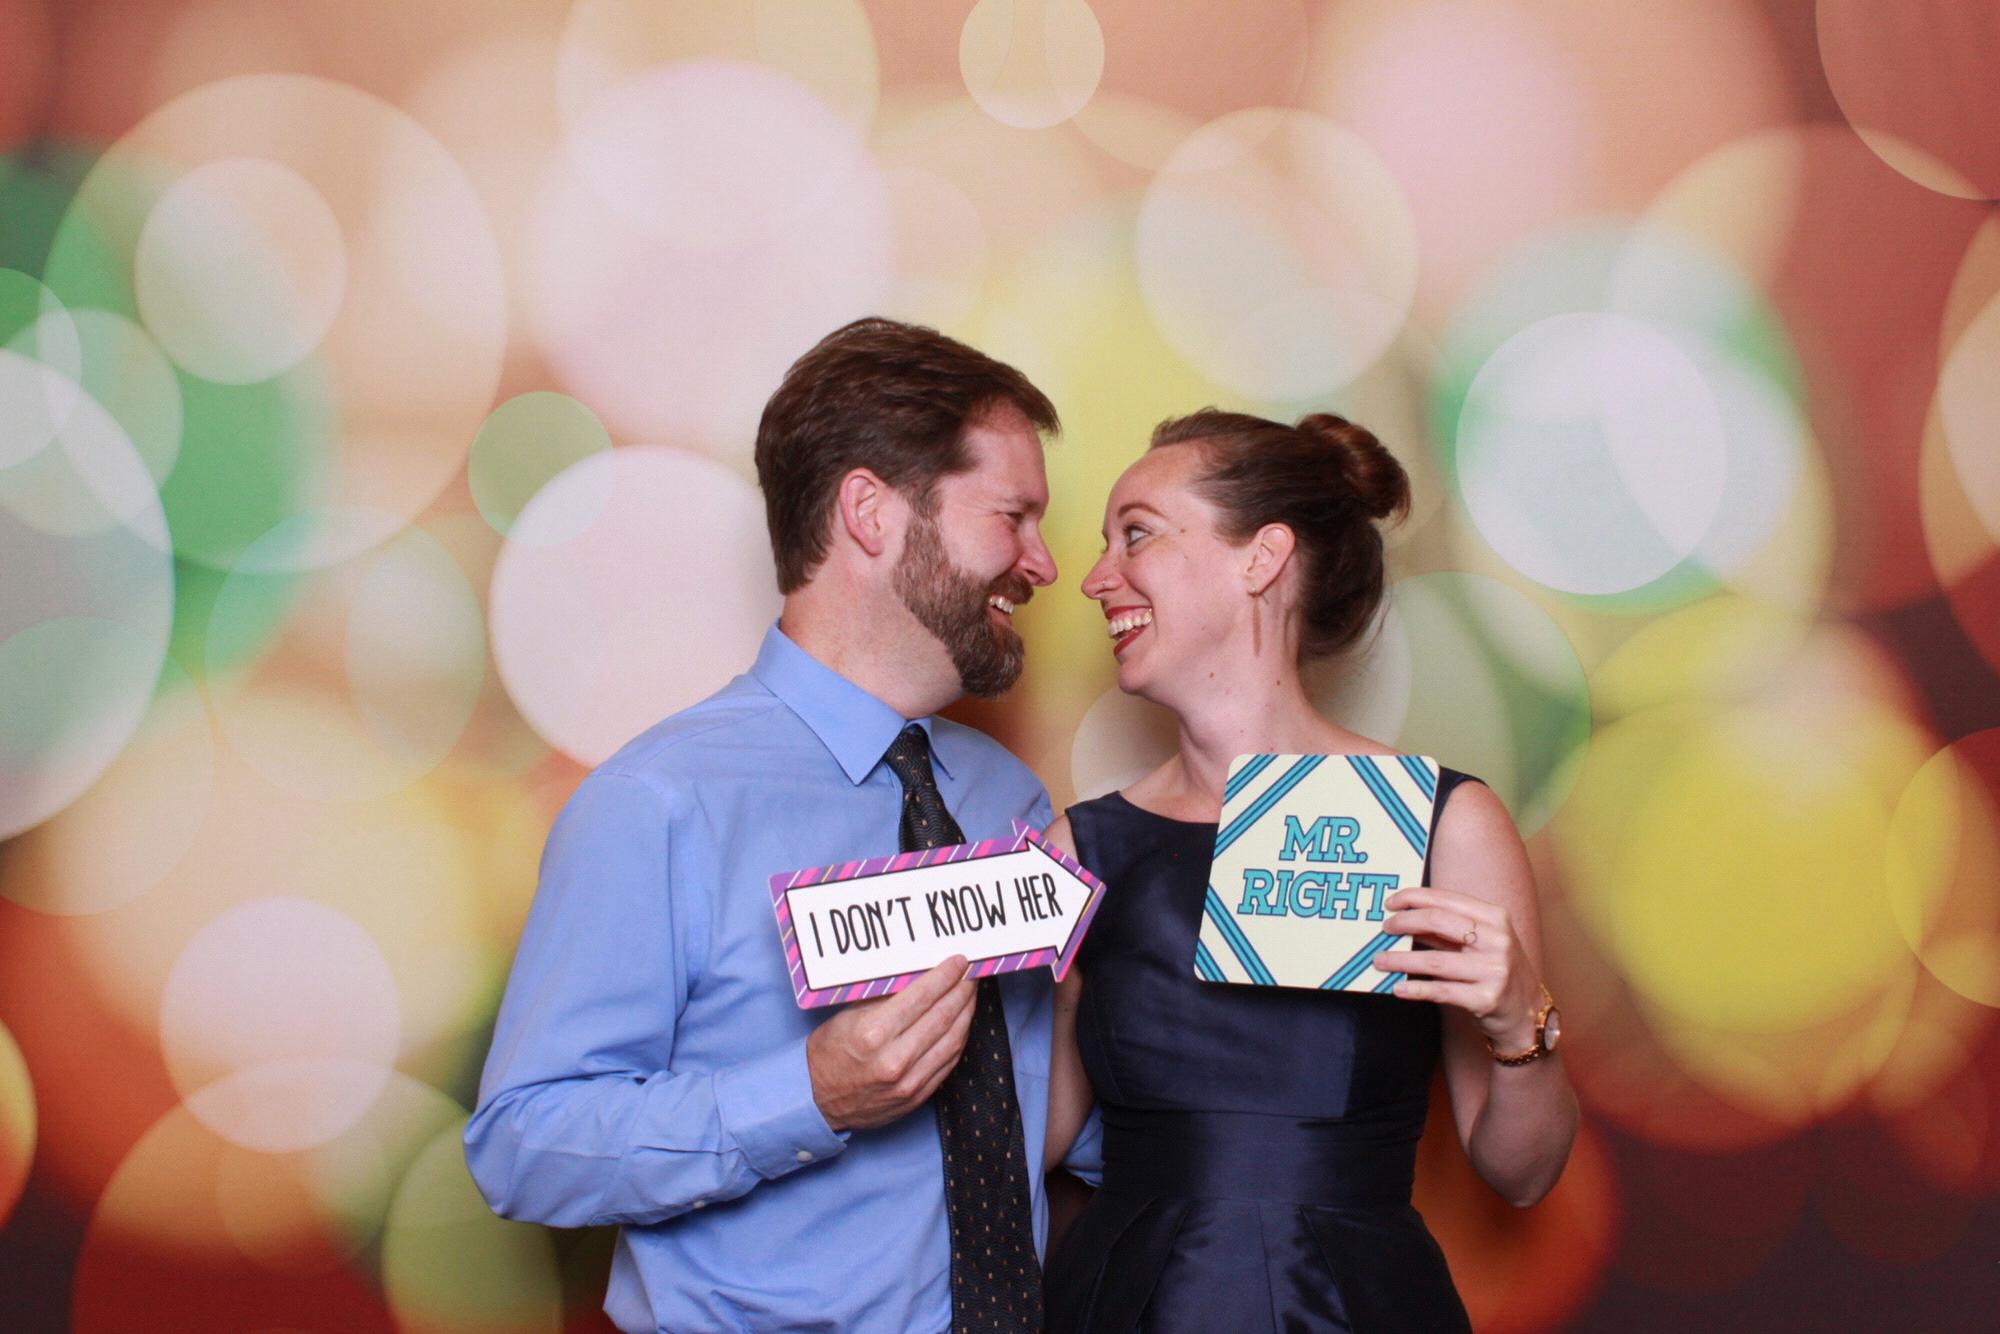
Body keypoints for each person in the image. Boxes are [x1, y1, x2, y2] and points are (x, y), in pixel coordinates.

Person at [465, 318, 1077, 1333]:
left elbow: (1036, 1120)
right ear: (871, 513)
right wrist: (811, 1092)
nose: (1043, 563)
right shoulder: (660, 802)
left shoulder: (1009, 800)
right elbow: (522, 1145)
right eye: (1012, 516)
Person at [1039, 409, 1579, 1331]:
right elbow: (1033, 1140)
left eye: (1137, 534)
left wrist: (1519, 1022)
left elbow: (1522, 1176)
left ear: (1262, 558)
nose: (1095, 578)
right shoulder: (1080, 848)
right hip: (1128, 1301)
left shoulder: (1443, 824)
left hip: (1350, 1304)